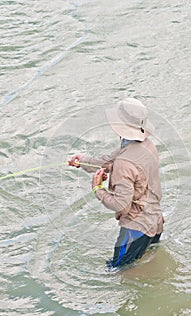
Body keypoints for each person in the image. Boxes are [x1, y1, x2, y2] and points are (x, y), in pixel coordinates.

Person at [69, 97, 164, 269]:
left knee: (116, 272)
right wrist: (82, 161)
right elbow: (109, 161)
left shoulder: (124, 163)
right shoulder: (147, 145)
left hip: (135, 230)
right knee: (148, 261)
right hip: (156, 221)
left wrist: (98, 188)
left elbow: (121, 204)